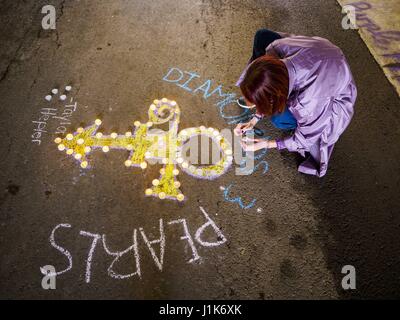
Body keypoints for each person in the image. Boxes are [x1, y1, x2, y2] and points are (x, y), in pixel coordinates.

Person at [234, 29, 357, 177]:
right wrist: (255, 119)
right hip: (327, 58)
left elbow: (305, 138)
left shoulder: (307, 103)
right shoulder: (276, 49)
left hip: (335, 95)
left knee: (279, 119)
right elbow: (270, 85)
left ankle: (285, 118)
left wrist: (267, 144)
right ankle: (261, 98)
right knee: (262, 36)